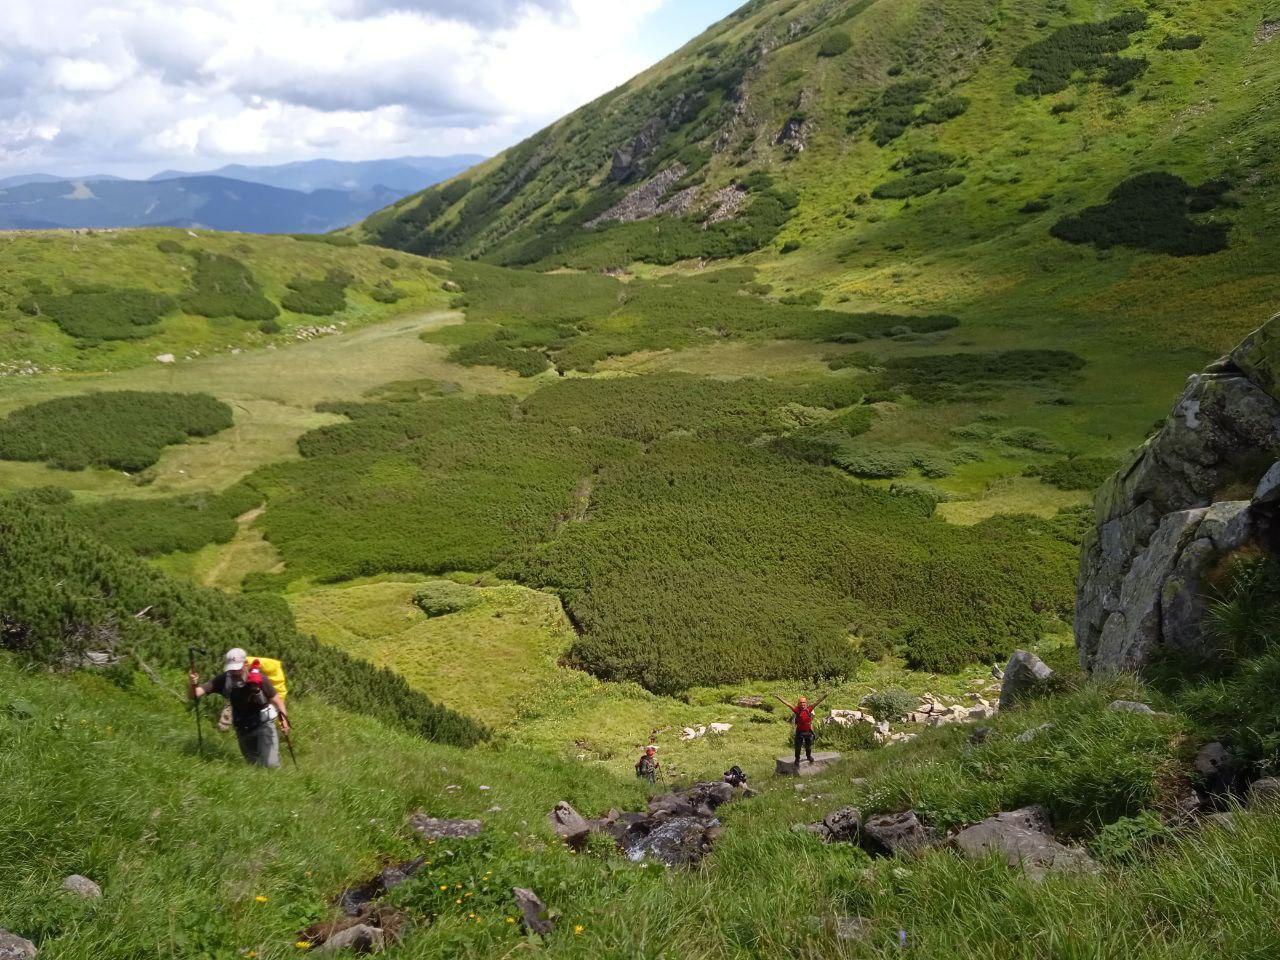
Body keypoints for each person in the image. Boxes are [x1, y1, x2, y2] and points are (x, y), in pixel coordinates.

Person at [190, 647, 290, 768]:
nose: (234, 673)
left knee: (271, 765)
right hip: (242, 728)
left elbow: (278, 702)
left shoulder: (260, 679)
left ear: (245, 664)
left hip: (264, 725)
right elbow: (194, 694)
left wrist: (284, 721)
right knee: (254, 767)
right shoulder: (224, 679)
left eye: (237, 669)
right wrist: (192, 683)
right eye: (231, 670)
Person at [772, 692, 829, 765]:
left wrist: (824, 696)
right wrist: (779, 697)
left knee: (808, 746)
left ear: (806, 703)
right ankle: (797, 759)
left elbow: (817, 702)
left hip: (808, 731)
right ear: (798, 703)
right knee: (798, 747)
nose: (802, 704)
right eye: (801, 702)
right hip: (799, 732)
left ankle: (808, 756)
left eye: (803, 702)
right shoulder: (797, 710)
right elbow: (788, 704)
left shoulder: (809, 709)